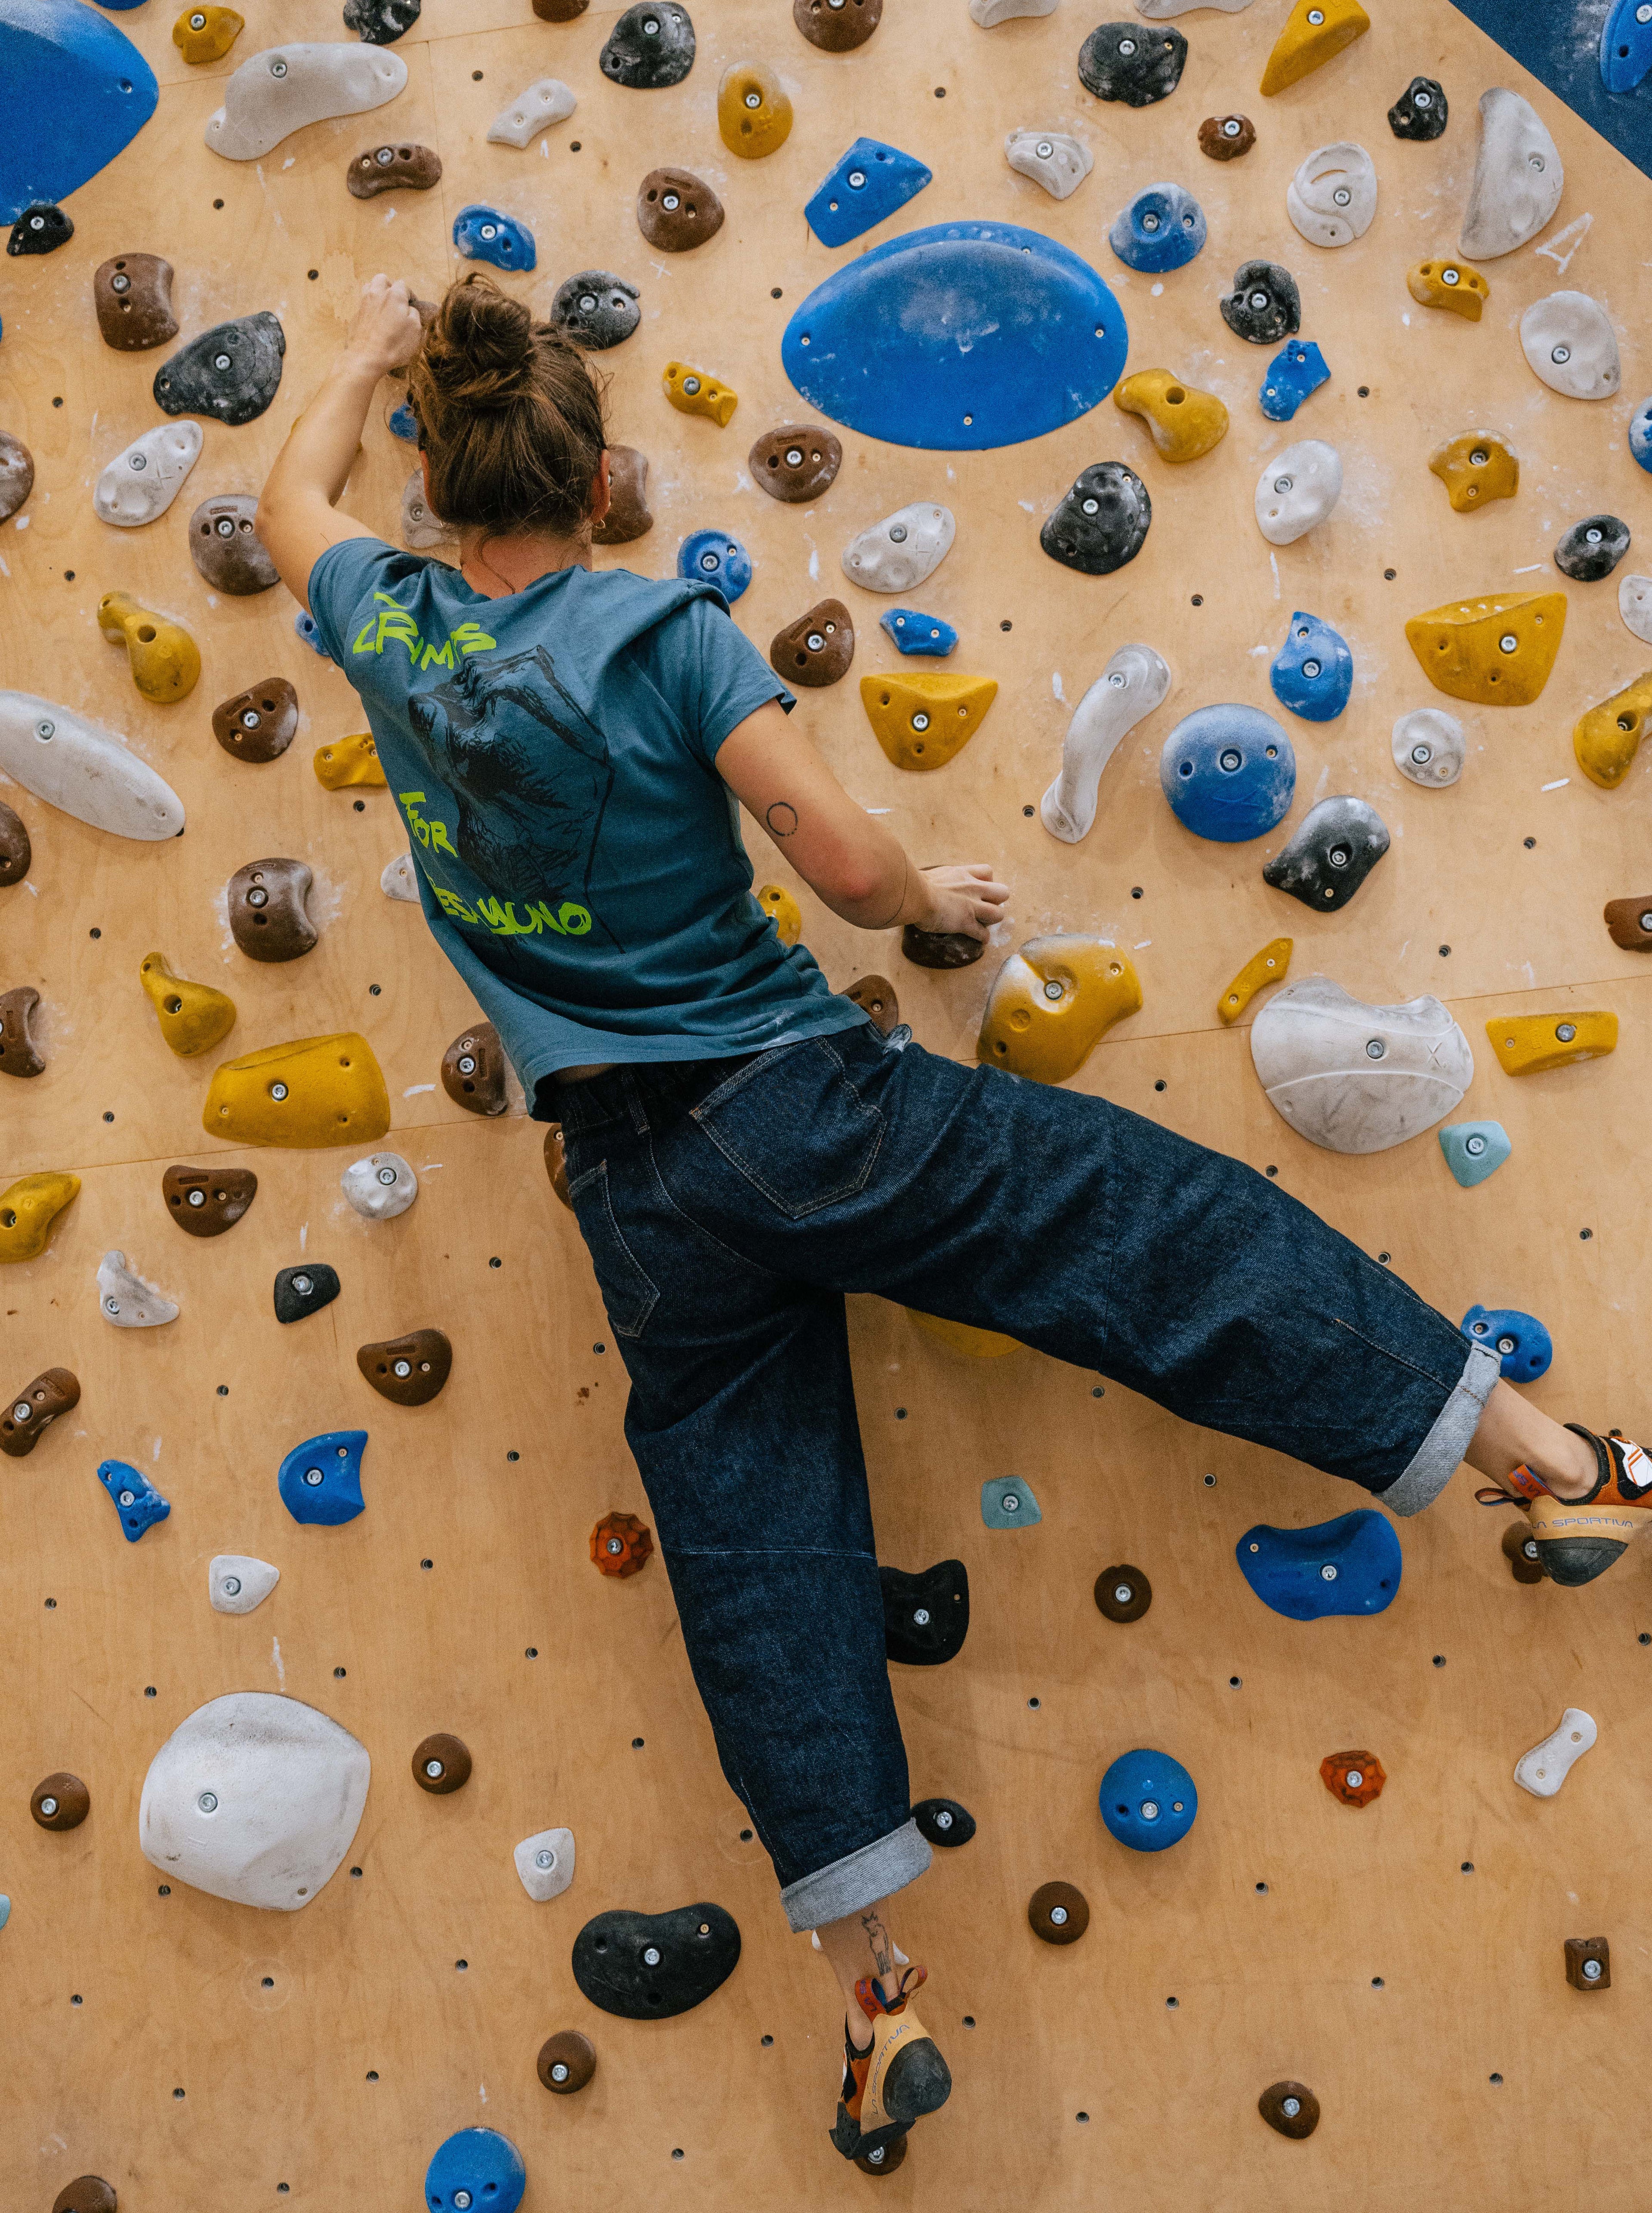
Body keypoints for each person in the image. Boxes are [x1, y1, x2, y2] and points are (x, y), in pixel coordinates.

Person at [259, 272, 1649, 2167]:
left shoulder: (387, 622)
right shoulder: (665, 631)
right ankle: (1542, 1458)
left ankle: (868, 1983)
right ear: (597, 489)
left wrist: (353, 361)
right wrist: (931, 909)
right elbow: (835, 854)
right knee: (1151, 1230)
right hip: (793, 1104)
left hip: (632, 1186)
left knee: (754, 1547)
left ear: (441, 488)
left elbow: (286, 503)